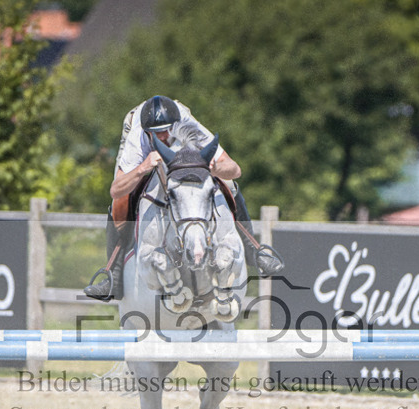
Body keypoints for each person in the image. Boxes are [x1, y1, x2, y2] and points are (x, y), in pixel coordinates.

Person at [83, 95, 284, 301]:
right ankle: (112, 277)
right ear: (147, 132)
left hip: (185, 151)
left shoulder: (188, 127)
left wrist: (216, 169)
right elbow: (116, 189)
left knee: (229, 184)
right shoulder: (138, 136)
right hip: (137, 131)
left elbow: (235, 169)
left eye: (166, 131)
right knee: (121, 201)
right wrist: (143, 167)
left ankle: (255, 251)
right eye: (156, 134)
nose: (162, 137)